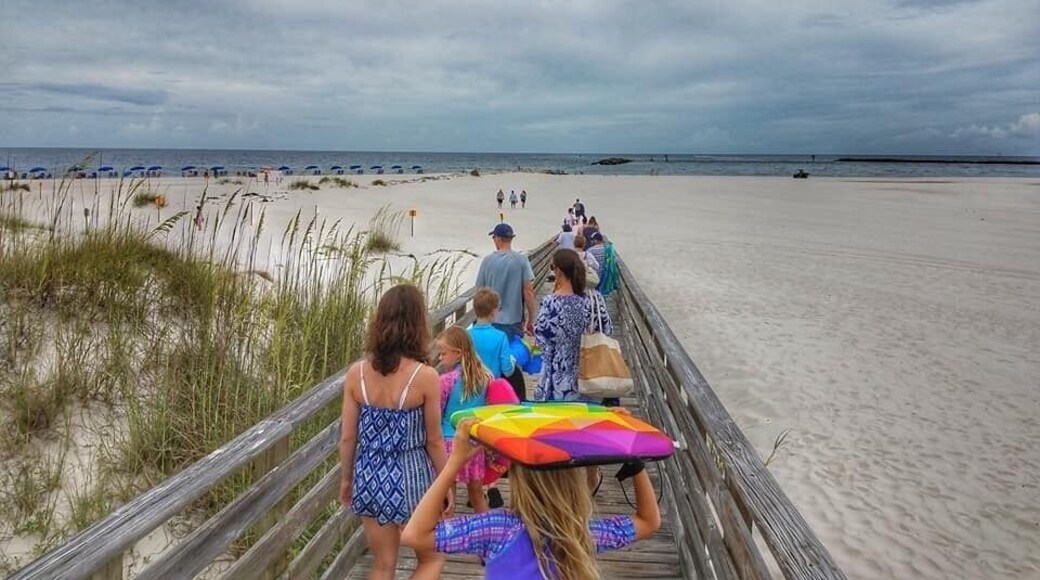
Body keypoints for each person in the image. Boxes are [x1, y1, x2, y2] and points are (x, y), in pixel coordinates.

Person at [401, 421, 662, 579]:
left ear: (518, 480)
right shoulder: (579, 535)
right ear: (575, 483)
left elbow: (414, 535)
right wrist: (635, 463)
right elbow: (648, 521)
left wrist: (454, 463)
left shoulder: (499, 528)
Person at [340, 284, 448, 579]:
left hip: (369, 475)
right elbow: (435, 441)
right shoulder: (424, 377)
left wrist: (348, 479)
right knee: (432, 559)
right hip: (411, 477)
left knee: (383, 565)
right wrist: (447, 483)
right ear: (417, 324)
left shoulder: (356, 374)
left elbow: (348, 436)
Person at [533, 249, 611, 403]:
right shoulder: (595, 300)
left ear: (559, 271)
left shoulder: (551, 303)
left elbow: (542, 338)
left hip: (559, 379)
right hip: (591, 375)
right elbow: (607, 330)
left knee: (562, 425)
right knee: (588, 423)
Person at [475, 223, 536, 405]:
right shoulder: (521, 260)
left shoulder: (487, 261)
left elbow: (479, 291)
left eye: (494, 237)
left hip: (490, 320)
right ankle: (509, 399)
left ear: (498, 239)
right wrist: (532, 318)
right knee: (510, 362)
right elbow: (529, 291)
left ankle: (489, 397)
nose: (494, 240)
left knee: (489, 361)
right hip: (514, 321)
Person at [436, 326, 492, 515]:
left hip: (449, 443)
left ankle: (449, 536)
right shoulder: (485, 378)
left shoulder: (445, 381)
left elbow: (437, 413)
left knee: (447, 495)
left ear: (458, 354)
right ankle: (486, 533)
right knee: (476, 494)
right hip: (473, 443)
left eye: (443, 353)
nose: (440, 358)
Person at [468, 288, 515, 380]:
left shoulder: (466, 336)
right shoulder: (501, 337)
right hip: (492, 387)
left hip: (471, 389)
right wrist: (512, 361)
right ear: (494, 312)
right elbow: (507, 371)